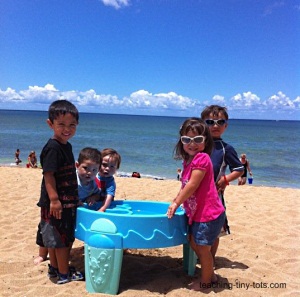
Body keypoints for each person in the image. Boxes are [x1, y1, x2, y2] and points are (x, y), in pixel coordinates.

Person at [167, 118, 225, 291]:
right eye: (187, 140)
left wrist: (177, 202)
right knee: (193, 241)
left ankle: (206, 281)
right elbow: (184, 185)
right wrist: (176, 199)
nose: (192, 144)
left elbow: (193, 185)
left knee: (202, 248)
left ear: (205, 141)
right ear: (181, 141)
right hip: (198, 213)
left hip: (209, 213)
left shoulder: (202, 159)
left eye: (198, 139)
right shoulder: (188, 161)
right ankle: (211, 275)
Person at [35, 99, 83, 284]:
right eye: (61, 124)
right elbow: (49, 176)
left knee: (56, 239)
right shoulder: (53, 148)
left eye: (72, 125)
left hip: (66, 201)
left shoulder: (66, 145)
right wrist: (54, 200)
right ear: (50, 124)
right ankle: (64, 274)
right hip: (57, 203)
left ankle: (55, 269)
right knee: (62, 240)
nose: (67, 129)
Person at [201, 105, 244, 265]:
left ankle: (209, 261)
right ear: (203, 124)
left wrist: (225, 180)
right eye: (210, 122)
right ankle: (199, 257)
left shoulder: (226, 149)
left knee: (215, 231)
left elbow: (239, 169)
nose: (215, 125)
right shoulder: (199, 145)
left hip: (214, 196)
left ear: (226, 125)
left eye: (220, 122)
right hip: (195, 194)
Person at [95, 148, 121, 212]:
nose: (107, 168)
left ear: (116, 168)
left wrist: (103, 209)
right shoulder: (93, 176)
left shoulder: (110, 183)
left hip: (105, 205)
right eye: (104, 165)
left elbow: (109, 197)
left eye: (112, 166)